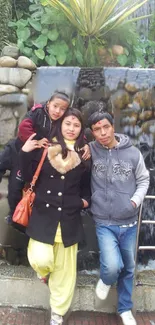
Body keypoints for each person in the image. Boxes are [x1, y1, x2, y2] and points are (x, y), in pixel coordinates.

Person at [19, 108, 91, 325]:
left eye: (76, 125)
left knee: (65, 272)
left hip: (69, 217)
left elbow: (87, 188)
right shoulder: (45, 147)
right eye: (67, 123)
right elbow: (28, 175)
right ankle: (43, 274)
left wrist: (83, 202)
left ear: (81, 129)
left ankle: (57, 313)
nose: (71, 128)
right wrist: (24, 151)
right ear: (60, 125)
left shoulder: (85, 154)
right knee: (41, 259)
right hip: (43, 214)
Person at [88, 112, 149, 325]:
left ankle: (125, 309)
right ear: (92, 132)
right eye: (97, 129)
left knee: (129, 268)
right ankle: (106, 280)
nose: (102, 133)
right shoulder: (91, 150)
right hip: (104, 222)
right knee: (113, 266)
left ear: (113, 127)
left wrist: (134, 201)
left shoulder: (132, 153)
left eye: (106, 127)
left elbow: (143, 179)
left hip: (130, 222)